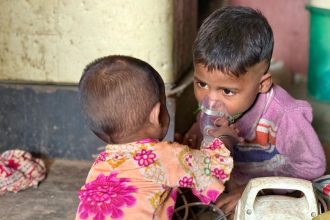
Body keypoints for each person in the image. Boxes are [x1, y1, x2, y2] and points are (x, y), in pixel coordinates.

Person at [176, 5, 326, 217]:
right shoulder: (219, 106)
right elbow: (207, 124)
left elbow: (312, 166)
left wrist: (257, 190)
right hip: (231, 186)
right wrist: (195, 133)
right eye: (201, 84)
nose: (210, 99)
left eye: (227, 91)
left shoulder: (285, 116)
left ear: (262, 84)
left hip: (274, 194)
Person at [75, 55, 241, 220]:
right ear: (157, 114)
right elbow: (213, 168)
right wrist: (226, 138)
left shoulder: (100, 165)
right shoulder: (166, 155)